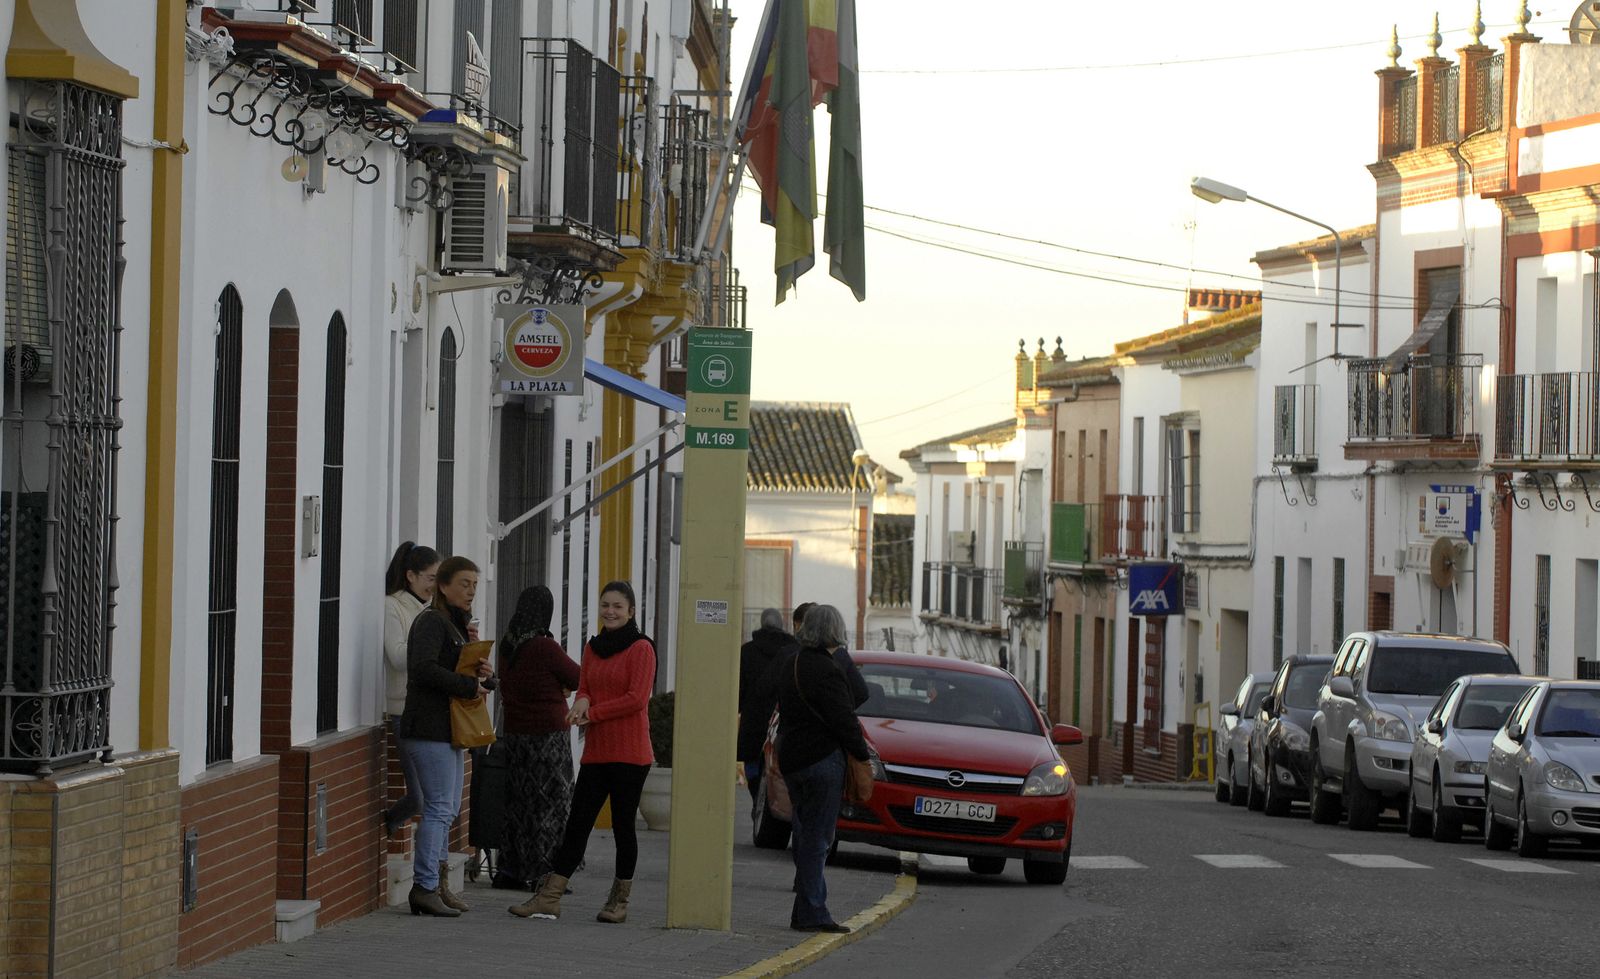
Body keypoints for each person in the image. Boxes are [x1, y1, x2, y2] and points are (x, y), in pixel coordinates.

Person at [511, 581, 655, 924]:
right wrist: (581, 703)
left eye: (618, 606)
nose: (611, 611)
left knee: (623, 827)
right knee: (577, 825)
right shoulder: (594, 648)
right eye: (606, 605)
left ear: (631, 611)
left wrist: (594, 712)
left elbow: (637, 698)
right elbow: (586, 686)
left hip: (630, 754)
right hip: (597, 751)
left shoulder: (641, 649)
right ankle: (550, 897)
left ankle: (619, 901)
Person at [400, 556, 494, 917]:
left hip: (449, 730)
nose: (471, 591)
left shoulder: (455, 626)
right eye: (464, 583)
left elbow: (461, 673)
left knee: (449, 808)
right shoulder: (431, 621)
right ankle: (424, 887)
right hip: (428, 728)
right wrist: (469, 684)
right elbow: (423, 670)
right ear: (443, 585)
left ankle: (437, 884)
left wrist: (485, 676)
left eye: (474, 584)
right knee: (438, 808)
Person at [778, 604, 870, 934]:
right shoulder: (828, 669)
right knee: (819, 839)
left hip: (792, 760)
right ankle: (814, 912)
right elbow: (844, 720)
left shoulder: (793, 662)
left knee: (805, 836)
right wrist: (862, 756)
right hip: (821, 761)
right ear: (835, 630)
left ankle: (803, 910)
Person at [494, 585, 580, 892]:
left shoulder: (508, 645)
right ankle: (546, 873)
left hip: (517, 735)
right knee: (551, 806)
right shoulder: (544, 647)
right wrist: (561, 688)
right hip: (548, 738)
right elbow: (578, 678)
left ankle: (511, 869)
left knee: (520, 804)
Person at [382, 542, 440, 838]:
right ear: (411, 576)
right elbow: (395, 655)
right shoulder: (392, 606)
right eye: (430, 578)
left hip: (431, 708)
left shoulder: (434, 610)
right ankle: (388, 823)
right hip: (403, 709)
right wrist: (430, 653)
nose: (435, 585)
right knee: (419, 796)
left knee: (434, 794)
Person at [738, 608, 797, 803]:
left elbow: (740, 690)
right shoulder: (794, 651)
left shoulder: (747, 652)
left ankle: (757, 799)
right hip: (783, 721)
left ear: (761, 625)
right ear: (782, 625)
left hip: (754, 721)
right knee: (778, 768)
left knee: (753, 762)